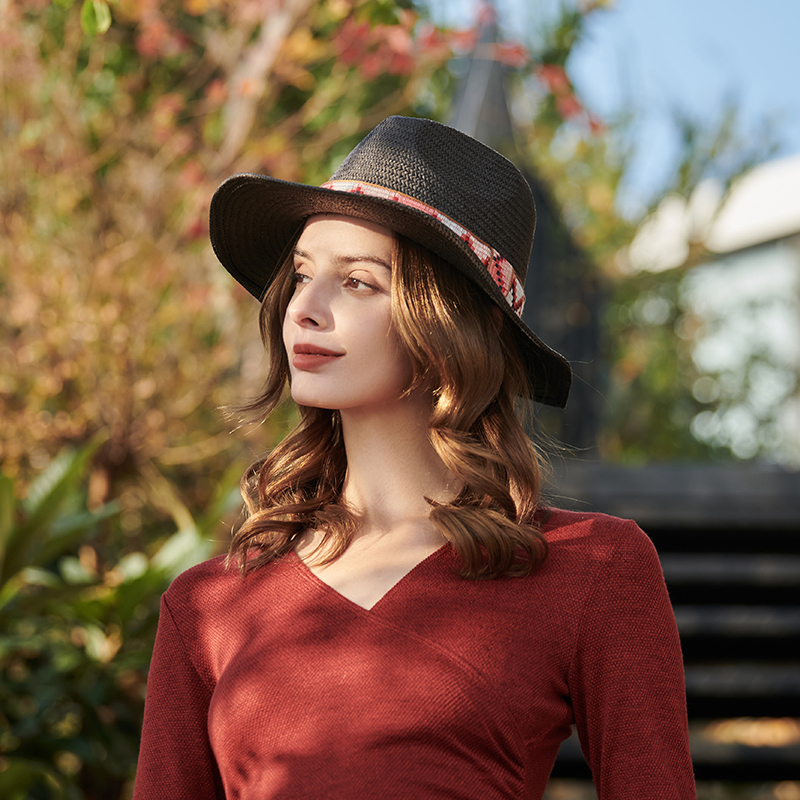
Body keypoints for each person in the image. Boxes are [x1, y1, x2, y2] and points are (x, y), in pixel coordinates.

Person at [133, 116, 695, 799]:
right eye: (302, 274)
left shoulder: (593, 568)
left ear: (455, 326)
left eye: (359, 282)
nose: (303, 309)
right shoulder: (207, 605)